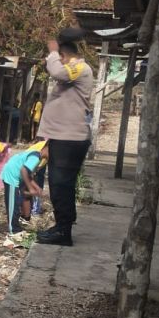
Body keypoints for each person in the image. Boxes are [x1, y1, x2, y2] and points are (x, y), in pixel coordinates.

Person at [35, 28, 94, 247]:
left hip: (71, 139)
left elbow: (57, 72)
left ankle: (64, 231)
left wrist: (52, 51)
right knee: (59, 185)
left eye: (56, 58)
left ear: (63, 56)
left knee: (62, 184)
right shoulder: (74, 70)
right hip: (63, 138)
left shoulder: (79, 67)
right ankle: (61, 227)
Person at [1, 143, 48, 237]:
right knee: (12, 205)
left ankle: (16, 227)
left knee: (16, 203)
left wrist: (36, 187)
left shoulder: (36, 156)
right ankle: (13, 230)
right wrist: (30, 188)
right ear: (47, 148)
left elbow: (28, 175)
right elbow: (23, 171)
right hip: (12, 176)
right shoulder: (36, 157)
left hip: (14, 175)